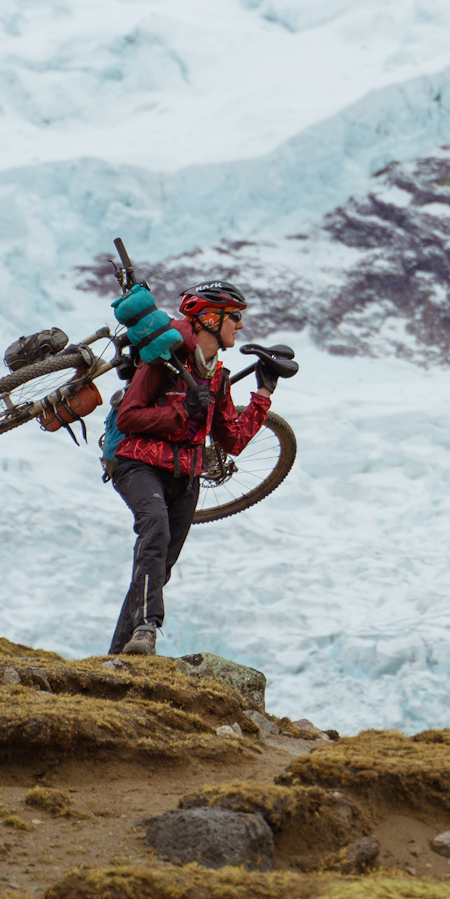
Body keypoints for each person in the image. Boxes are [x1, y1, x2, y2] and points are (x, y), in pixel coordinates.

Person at [106, 279, 278, 657]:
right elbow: (129, 417)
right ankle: (149, 629)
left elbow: (232, 440)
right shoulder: (163, 361)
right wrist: (183, 410)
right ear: (209, 319)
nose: (241, 326)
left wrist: (263, 394)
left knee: (159, 564)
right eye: (235, 317)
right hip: (139, 465)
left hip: (186, 478)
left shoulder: (217, 377)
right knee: (155, 531)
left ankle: (118, 658)